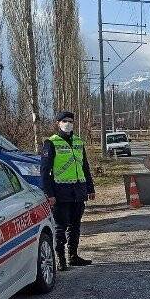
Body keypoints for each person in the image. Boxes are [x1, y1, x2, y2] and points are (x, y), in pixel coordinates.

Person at [40, 111, 95, 270]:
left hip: (78, 191)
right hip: (60, 192)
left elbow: (85, 166)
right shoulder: (50, 143)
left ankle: (73, 256)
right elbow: (44, 171)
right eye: (64, 121)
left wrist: (90, 188)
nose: (68, 123)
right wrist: (49, 194)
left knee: (75, 226)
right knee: (60, 227)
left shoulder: (78, 142)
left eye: (70, 121)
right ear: (58, 123)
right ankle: (61, 259)